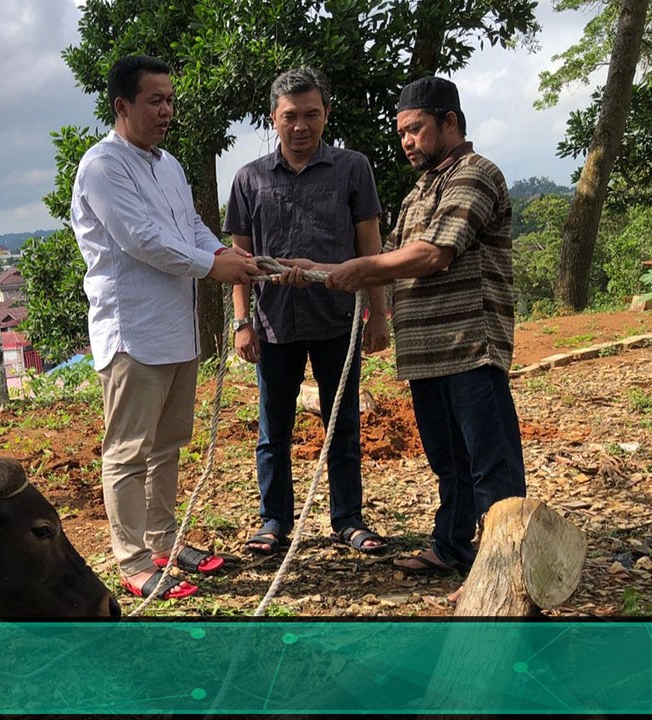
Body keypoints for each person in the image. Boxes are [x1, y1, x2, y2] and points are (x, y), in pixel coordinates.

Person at [282, 76, 526, 575]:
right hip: (426, 355)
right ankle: (452, 548)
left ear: (450, 122)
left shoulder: (475, 175)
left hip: (469, 347)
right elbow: (388, 260)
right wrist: (320, 270)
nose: (407, 142)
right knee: (449, 462)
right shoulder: (420, 190)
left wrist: (359, 269)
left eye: (415, 129)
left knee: (490, 466)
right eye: (401, 133)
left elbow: (433, 254)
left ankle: (507, 571)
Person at [71, 54, 262, 600]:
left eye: (170, 100)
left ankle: (163, 542)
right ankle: (133, 562)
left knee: (168, 445)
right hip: (132, 332)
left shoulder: (169, 165)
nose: (166, 111)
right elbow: (142, 240)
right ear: (122, 105)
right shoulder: (102, 166)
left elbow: (190, 226)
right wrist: (212, 266)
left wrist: (222, 253)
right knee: (129, 450)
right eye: (155, 100)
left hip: (178, 329)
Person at [224, 67, 390, 558]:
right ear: (273, 118)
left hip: (338, 319)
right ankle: (274, 522)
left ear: (326, 114)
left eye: (311, 114)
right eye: (290, 116)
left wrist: (379, 314)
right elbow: (239, 258)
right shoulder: (249, 178)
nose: (301, 126)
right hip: (274, 324)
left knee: (342, 425)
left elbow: (370, 246)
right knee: (273, 430)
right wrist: (242, 322)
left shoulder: (353, 169)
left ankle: (348, 520)